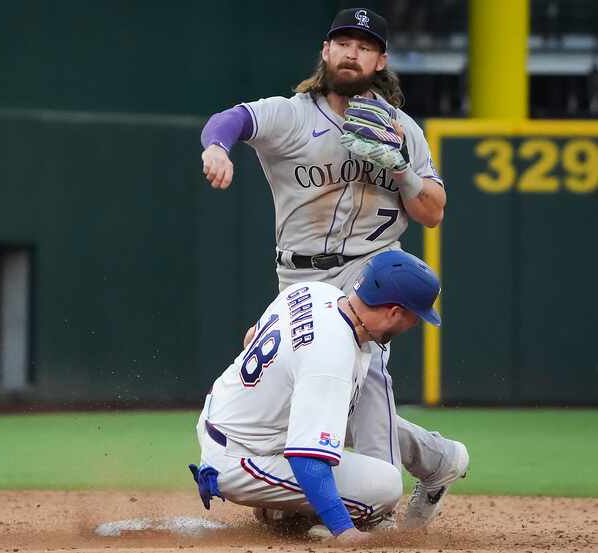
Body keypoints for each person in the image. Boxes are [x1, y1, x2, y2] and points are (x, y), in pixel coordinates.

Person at [198, 8, 467, 528]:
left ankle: (375, 506)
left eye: (365, 46)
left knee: (365, 379)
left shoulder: (402, 130)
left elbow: (432, 212)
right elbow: (230, 120)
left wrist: (402, 170)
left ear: (381, 60)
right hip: (297, 276)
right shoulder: (293, 114)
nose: (352, 52)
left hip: (371, 269)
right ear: (325, 52)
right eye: (343, 42)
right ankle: (436, 460)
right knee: (298, 387)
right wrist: (216, 148)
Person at [189, 251, 441, 544]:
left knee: (325, 427)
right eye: (414, 317)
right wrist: (342, 530)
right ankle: (288, 509)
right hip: (239, 458)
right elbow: (306, 460)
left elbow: (250, 337)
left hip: (223, 414)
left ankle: (280, 507)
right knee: (383, 487)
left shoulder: (314, 290)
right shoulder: (333, 354)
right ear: (395, 312)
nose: (413, 325)